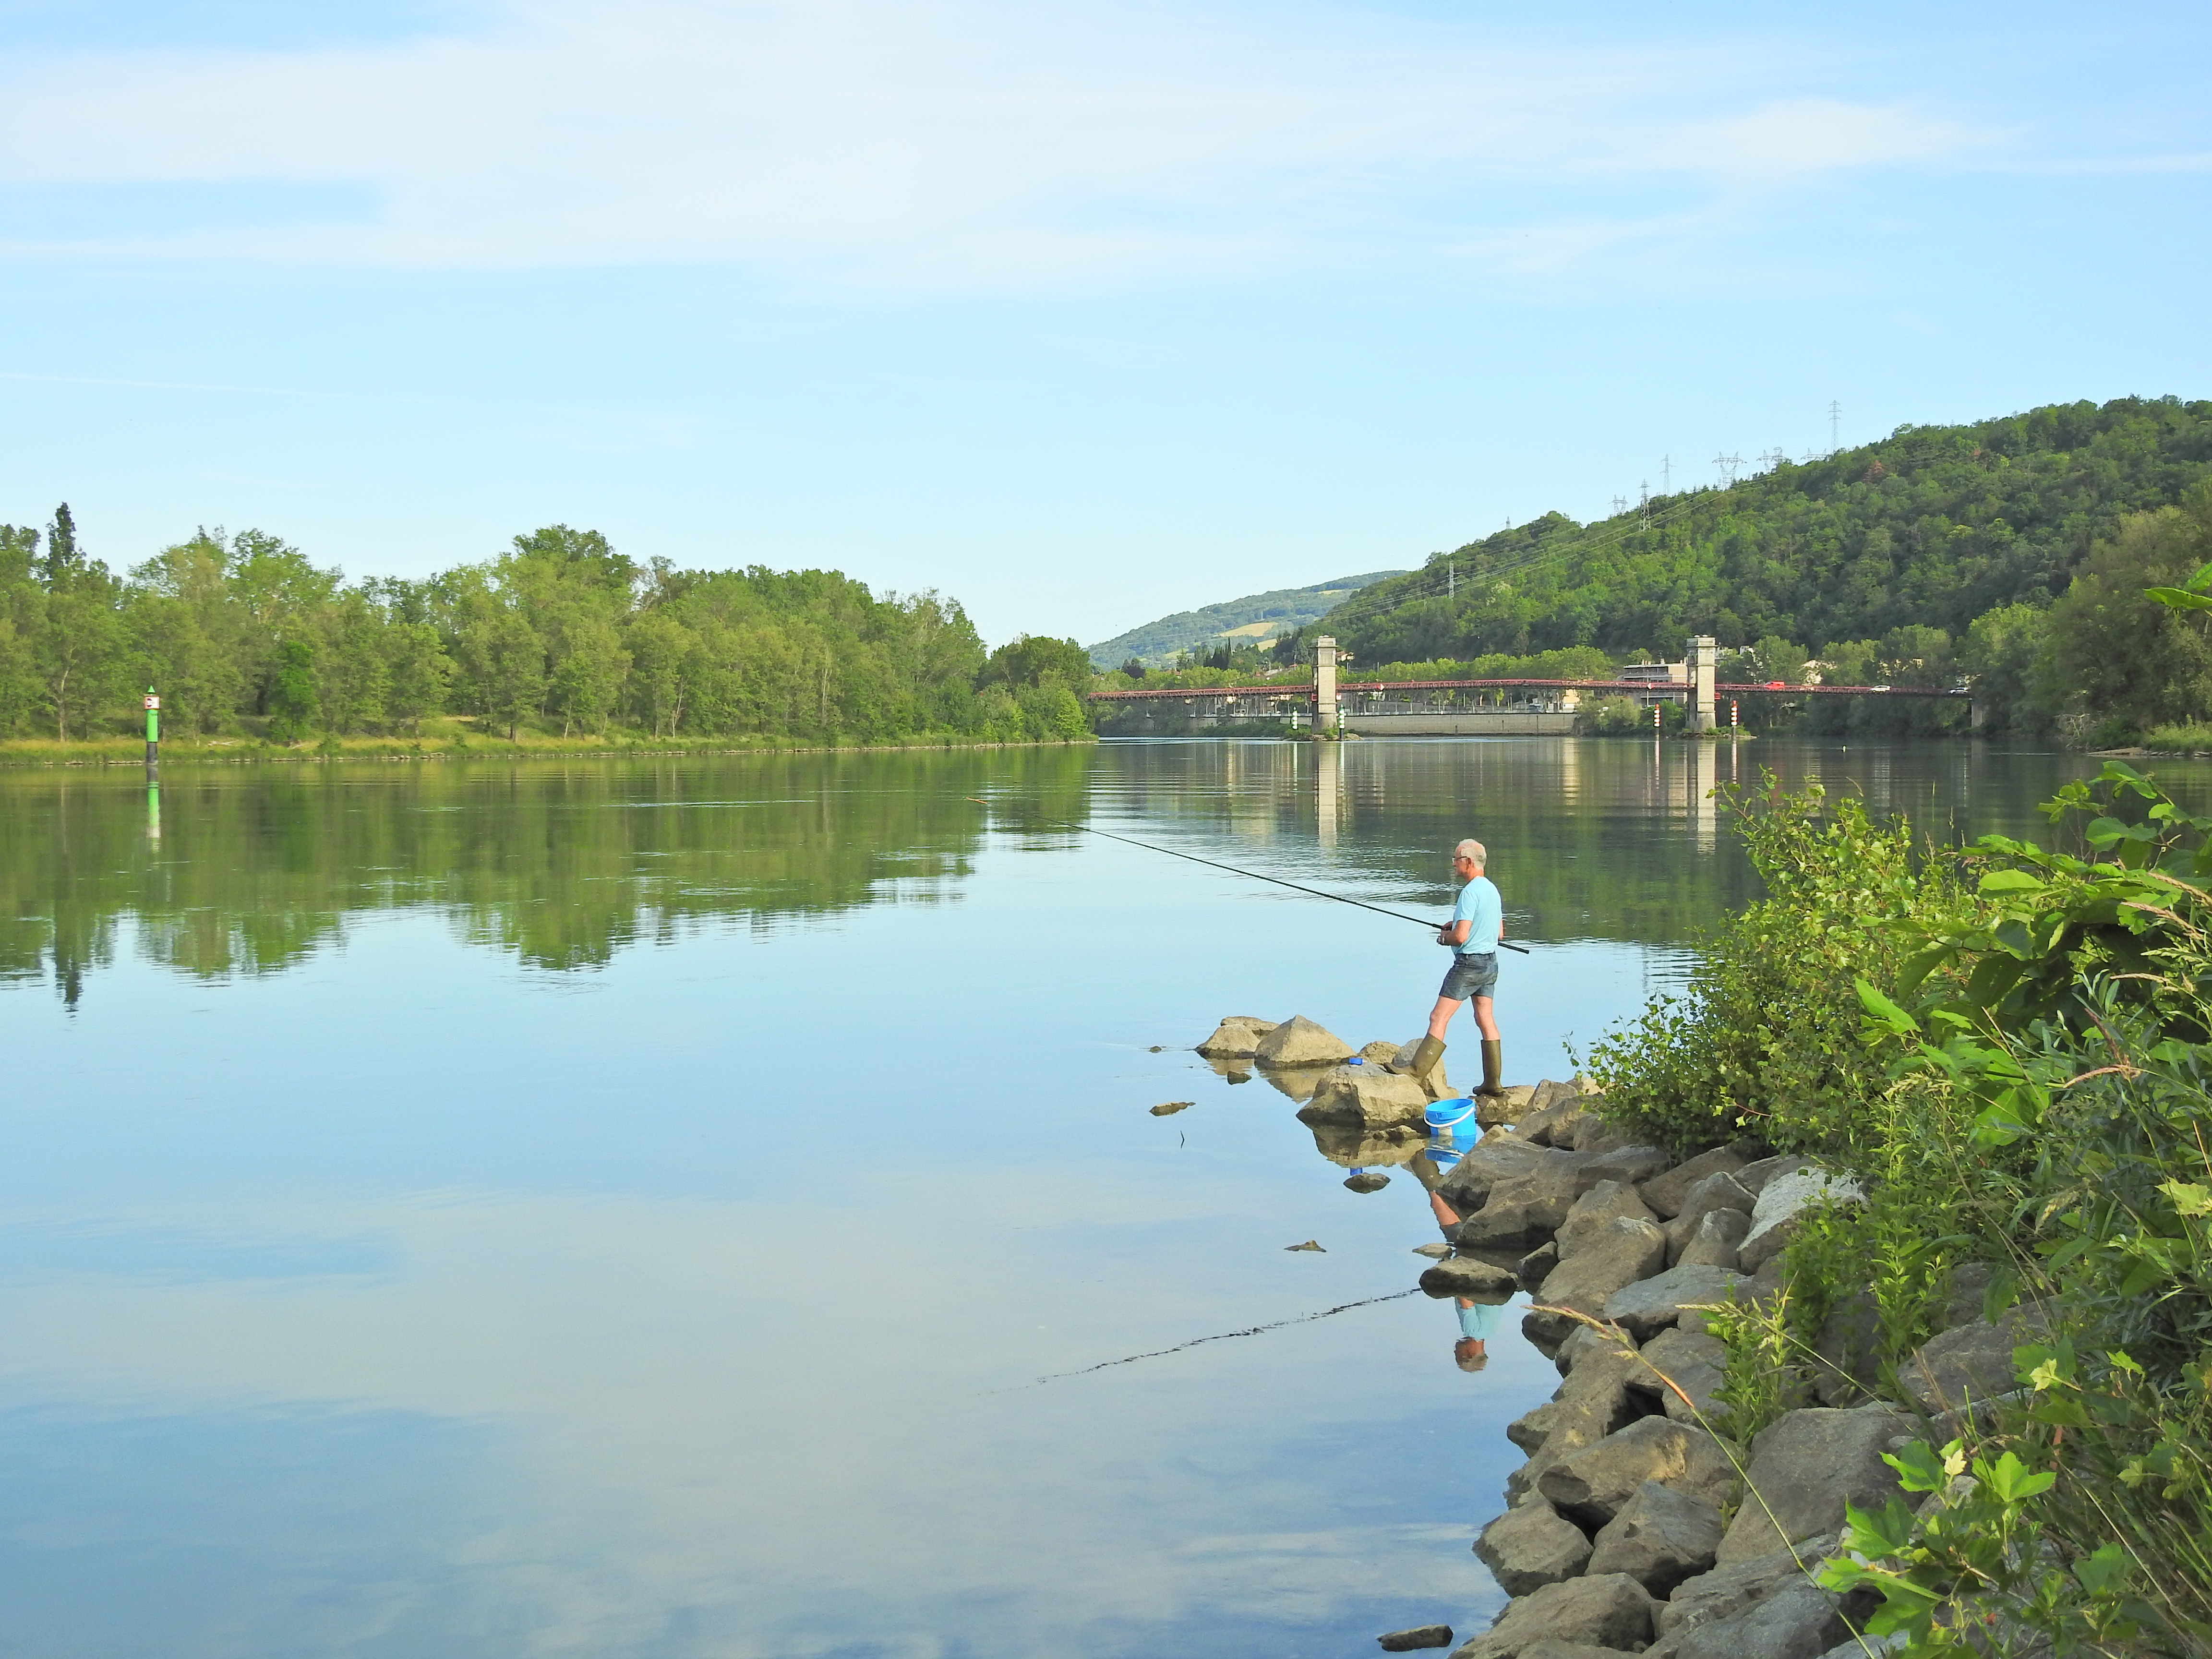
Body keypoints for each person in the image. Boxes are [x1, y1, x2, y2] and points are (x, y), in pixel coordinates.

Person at [1394, 838, 1506, 1097]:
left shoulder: (1469, 892)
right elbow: (1499, 934)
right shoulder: (1492, 890)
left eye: (1456, 860)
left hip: (1468, 965)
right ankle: (1493, 1083)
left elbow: (1461, 938)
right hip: (1490, 964)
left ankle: (1416, 1071)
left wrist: (1445, 937)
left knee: (1438, 1017)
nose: (1454, 865)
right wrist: (1455, 924)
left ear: (1468, 862)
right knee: (1485, 1019)